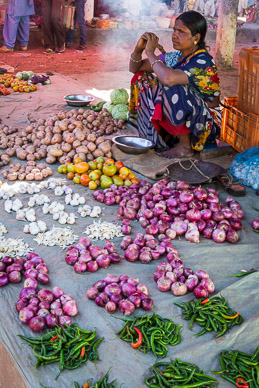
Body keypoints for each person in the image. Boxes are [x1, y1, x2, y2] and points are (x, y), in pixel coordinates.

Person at [128, 10, 222, 159]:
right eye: (174, 30)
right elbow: (135, 69)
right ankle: (155, 136)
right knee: (142, 79)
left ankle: (185, 147)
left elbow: (168, 79)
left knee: (172, 85)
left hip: (205, 125)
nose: (174, 35)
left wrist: (150, 53)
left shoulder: (203, 62)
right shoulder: (175, 57)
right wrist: (139, 49)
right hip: (185, 120)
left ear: (196, 37)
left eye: (181, 32)